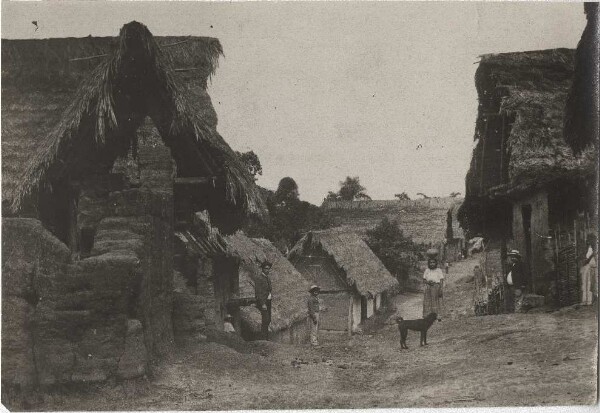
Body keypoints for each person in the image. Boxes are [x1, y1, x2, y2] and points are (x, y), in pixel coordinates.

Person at [255, 261, 273, 340]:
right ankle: (263, 338)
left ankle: (266, 337)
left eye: (268, 269)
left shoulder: (268, 278)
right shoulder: (259, 278)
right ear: (262, 269)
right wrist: (262, 303)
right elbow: (258, 292)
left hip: (268, 301)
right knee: (265, 319)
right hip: (263, 301)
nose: (267, 270)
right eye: (266, 268)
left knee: (268, 319)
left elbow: (269, 290)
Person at [580, 235, 597, 306]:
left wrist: (586, 261)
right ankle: (584, 301)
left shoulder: (594, 249)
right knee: (584, 284)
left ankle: (589, 301)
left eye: (589, 239)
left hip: (591, 268)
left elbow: (591, 257)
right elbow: (586, 257)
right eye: (587, 239)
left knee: (589, 284)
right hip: (586, 267)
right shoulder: (588, 248)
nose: (587, 241)